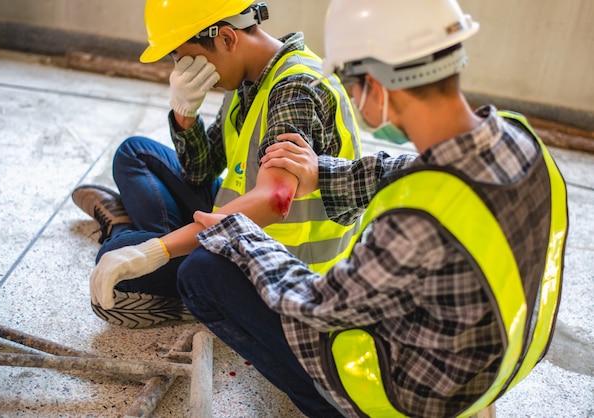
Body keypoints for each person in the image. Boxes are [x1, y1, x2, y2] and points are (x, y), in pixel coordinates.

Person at [175, 0, 569, 417]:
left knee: (203, 272)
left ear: (375, 88)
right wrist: (322, 173)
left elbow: (317, 303)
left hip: (413, 400)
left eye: (349, 81)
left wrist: (240, 233)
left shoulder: (413, 221)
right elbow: (410, 168)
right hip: (499, 366)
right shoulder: (522, 139)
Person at [71, 0, 361, 329]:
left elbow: (274, 202)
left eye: (183, 57)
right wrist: (185, 113)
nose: (180, 71)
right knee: (133, 153)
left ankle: (125, 231)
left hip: (279, 263)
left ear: (226, 38)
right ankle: (173, 256)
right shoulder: (251, 79)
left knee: (119, 253)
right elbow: (199, 172)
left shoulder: (294, 90)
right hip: (237, 225)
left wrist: (153, 251)